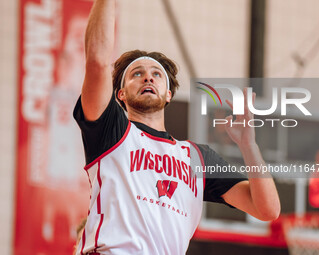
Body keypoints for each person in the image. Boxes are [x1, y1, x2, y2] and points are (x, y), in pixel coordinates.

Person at [73, 0, 281, 254]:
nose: (148, 76)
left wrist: (249, 146)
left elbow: (267, 209)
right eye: (136, 73)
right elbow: (96, 61)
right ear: (121, 95)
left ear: (169, 94)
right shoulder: (111, 131)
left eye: (156, 74)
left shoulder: (197, 157)